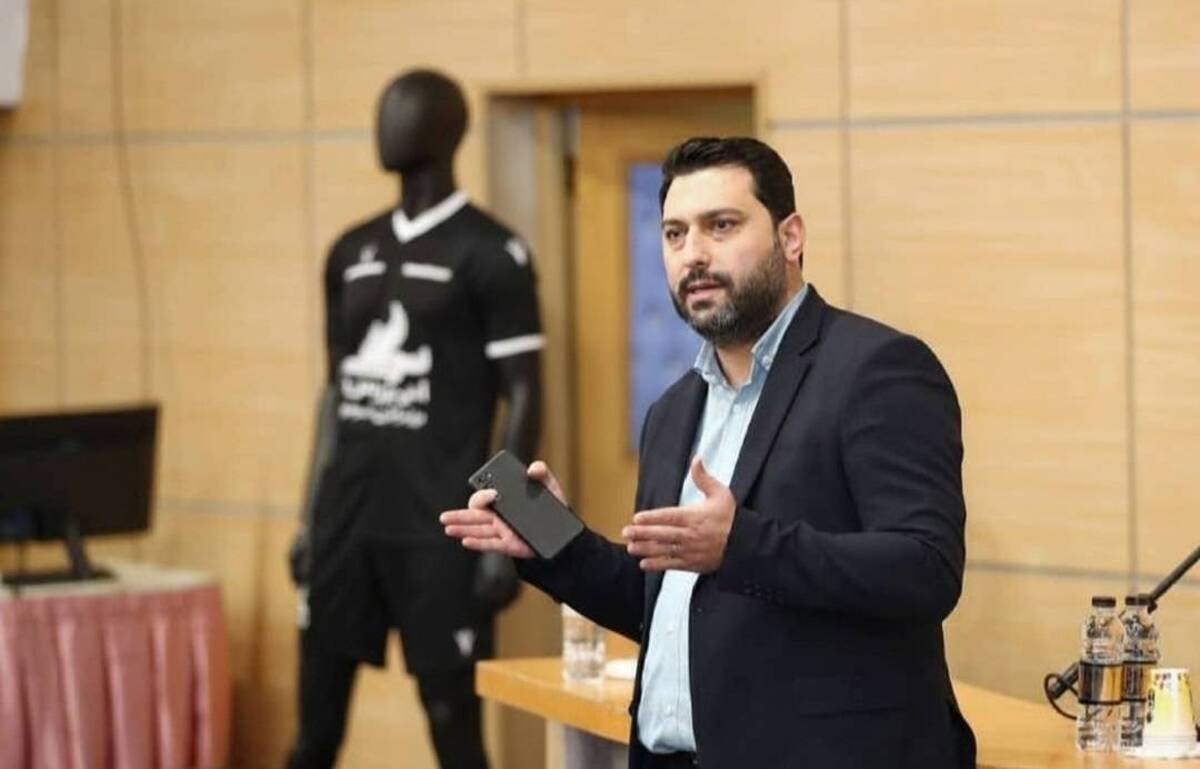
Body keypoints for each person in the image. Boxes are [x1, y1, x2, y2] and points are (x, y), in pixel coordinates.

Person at [441, 137, 977, 768]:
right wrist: (558, 548)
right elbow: (675, 608)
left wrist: (742, 544)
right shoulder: (673, 411)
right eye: (674, 234)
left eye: (721, 226)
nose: (693, 254)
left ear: (791, 237)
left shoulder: (876, 370)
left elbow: (925, 568)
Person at [285, 69, 544, 769]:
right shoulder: (350, 251)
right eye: (384, 109)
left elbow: (525, 396)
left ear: (448, 130)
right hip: (346, 525)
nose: (384, 125)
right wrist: (309, 519)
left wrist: (509, 533)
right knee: (311, 737)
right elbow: (335, 394)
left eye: (401, 112)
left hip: (442, 532)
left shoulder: (493, 252)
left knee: (456, 738)